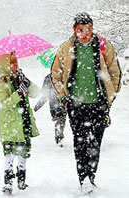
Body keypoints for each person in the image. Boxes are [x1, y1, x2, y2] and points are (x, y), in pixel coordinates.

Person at [51, 12, 121, 194]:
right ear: (74, 30)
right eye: (80, 30)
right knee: (80, 142)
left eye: (88, 29)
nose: (84, 33)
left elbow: (115, 71)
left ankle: (91, 176)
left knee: (95, 143)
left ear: (92, 28)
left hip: (98, 104)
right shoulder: (66, 48)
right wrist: (63, 95)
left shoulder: (103, 46)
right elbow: (55, 74)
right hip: (76, 105)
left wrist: (109, 97)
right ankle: (83, 178)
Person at [0, 52, 40, 195]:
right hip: (11, 125)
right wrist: (17, 95)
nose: (15, 64)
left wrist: (27, 82)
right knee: (9, 154)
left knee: (23, 152)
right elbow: (4, 104)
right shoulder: (1, 85)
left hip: (23, 121)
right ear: (5, 66)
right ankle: (8, 182)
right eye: (12, 62)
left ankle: (21, 179)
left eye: (16, 61)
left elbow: (36, 92)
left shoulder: (20, 79)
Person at [34, 74, 67, 146]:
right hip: (60, 103)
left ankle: (59, 136)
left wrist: (38, 105)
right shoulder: (63, 76)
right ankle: (59, 136)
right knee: (61, 120)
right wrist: (38, 106)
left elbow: (45, 94)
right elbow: (45, 95)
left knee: (60, 120)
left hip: (54, 104)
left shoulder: (48, 77)